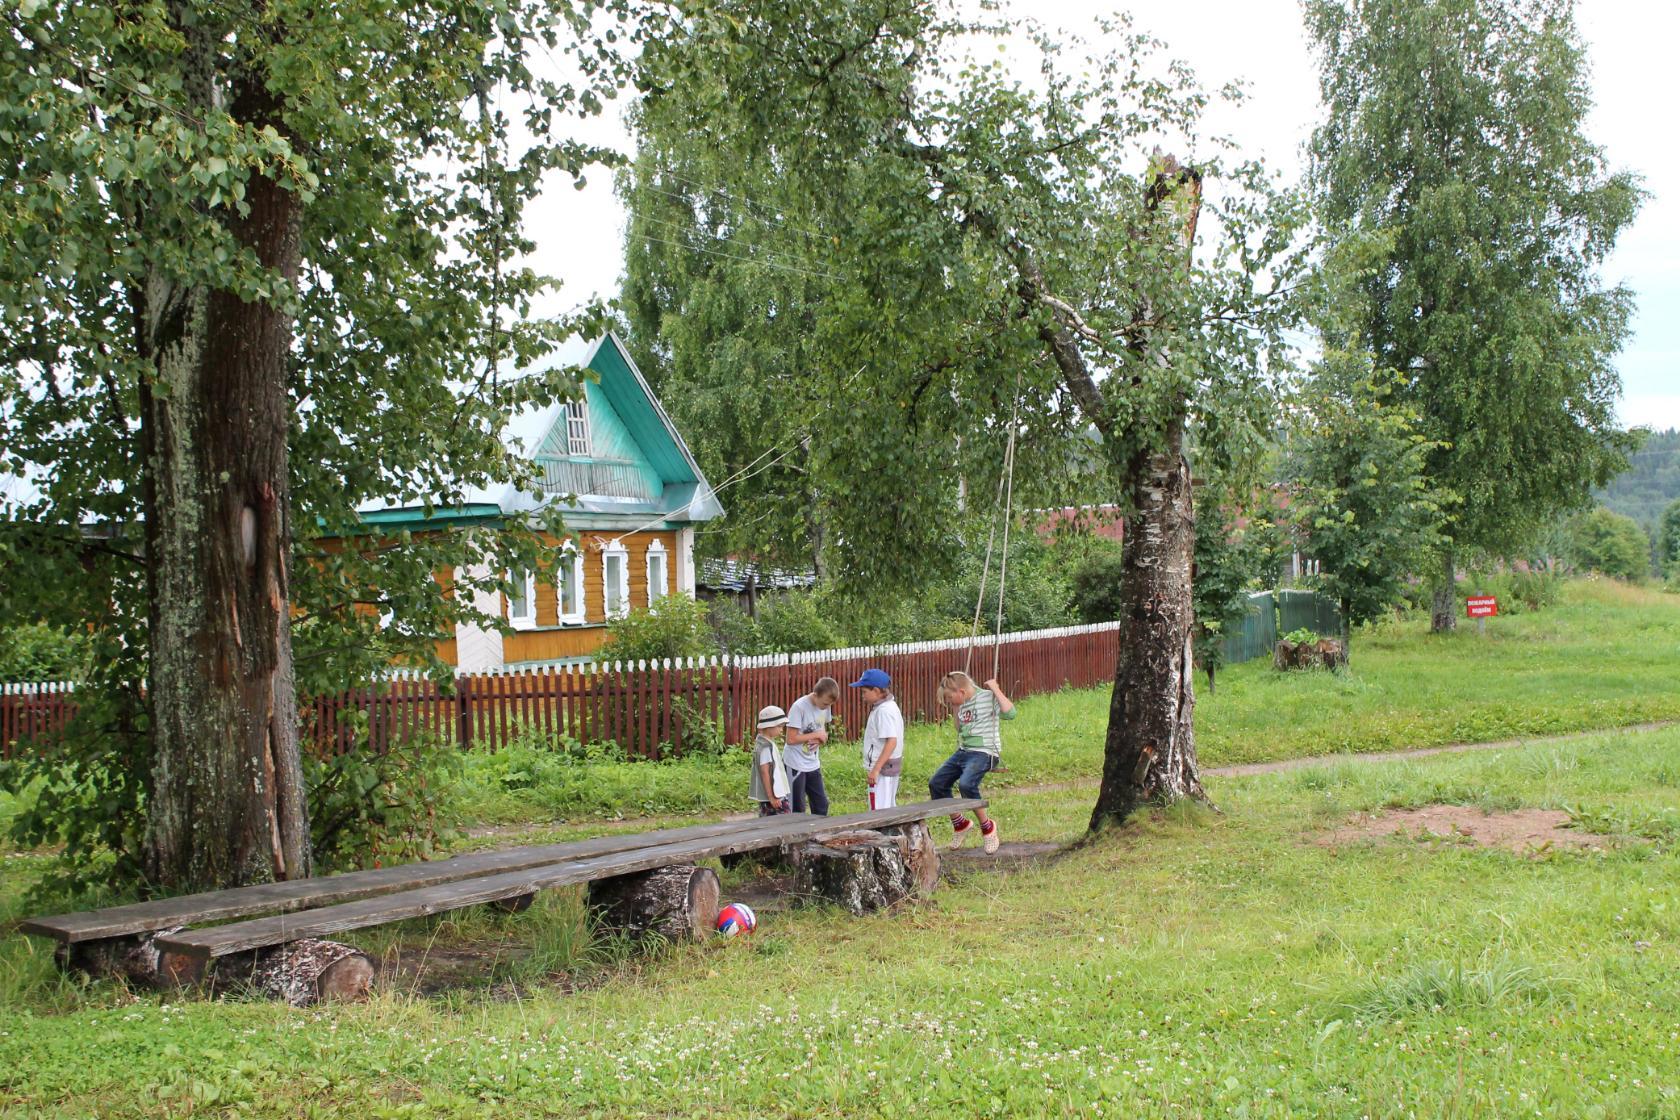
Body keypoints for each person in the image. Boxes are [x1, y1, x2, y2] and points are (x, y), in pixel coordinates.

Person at [931, 670, 1014, 854]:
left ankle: (988, 827)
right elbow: (959, 729)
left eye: (950, 698)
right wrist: (956, 708)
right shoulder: (962, 703)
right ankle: (960, 824)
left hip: (985, 752)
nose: (949, 702)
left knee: (967, 784)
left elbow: (1010, 714)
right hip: (964, 751)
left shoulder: (987, 697)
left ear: (961, 691)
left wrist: (996, 689)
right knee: (936, 784)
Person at [850, 668, 904, 810]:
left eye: (864, 692)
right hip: (889, 767)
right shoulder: (888, 706)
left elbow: (891, 741)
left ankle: (882, 833)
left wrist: (875, 769)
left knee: (878, 811)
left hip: (882, 769)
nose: (862, 696)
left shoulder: (884, 711)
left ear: (876, 691)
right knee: (888, 808)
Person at [784, 676, 839, 816]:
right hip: (795, 763)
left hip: (813, 762)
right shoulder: (799, 707)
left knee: (821, 805)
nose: (827, 707)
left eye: (829, 705)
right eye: (825, 704)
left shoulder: (826, 706)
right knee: (797, 807)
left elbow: (822, 731)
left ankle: (819, 835)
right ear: (815, 695)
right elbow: (790, 739)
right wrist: (816, 735)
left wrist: (822, 737)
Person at [749, 705, 791, 816]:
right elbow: (765, 772)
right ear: (769, 726)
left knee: (767, 822)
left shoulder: (764, 743)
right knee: (784, 822)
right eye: (779, 726)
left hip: (772, 796)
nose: (781, 729)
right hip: (774, 797)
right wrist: (771, 797)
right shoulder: (765, 747)